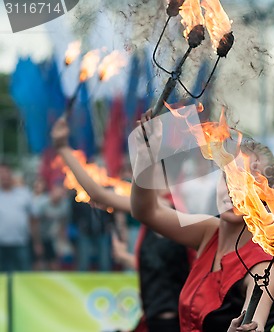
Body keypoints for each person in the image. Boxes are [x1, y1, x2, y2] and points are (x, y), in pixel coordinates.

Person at [130, 111, 274, 332]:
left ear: (270, 194)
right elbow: (146, 211)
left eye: (249, 182)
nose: (233, 191)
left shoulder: (265, 266)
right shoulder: (209, 232)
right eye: (228, 177)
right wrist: (146, 157)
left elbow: (254, 321)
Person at [51, 117, 190, 332]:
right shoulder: (156, 215)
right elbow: (162, 269)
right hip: (153, 321)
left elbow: (98, 194)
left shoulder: (167, 209)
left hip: (171, 324)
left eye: (145, 169)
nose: (137, 178)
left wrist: (63, 148)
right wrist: (128, 258)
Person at [0, 163, 37, 272]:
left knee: (25, 277)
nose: (4, 176)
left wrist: (37, 242)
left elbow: (34, 219)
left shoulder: (24, 193)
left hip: (21, 243)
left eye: (6, 173)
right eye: (1, 173)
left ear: (11, 174)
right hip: (1, 245)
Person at [33, 184, 70, 270]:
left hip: (52, 237)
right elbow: (35, 224)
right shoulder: (43, 204)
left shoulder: (64, 206)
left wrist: (62, 242)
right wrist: (37, 243)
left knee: (54, 262)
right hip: (41, 236)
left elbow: (63, 224)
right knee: (39, 262)